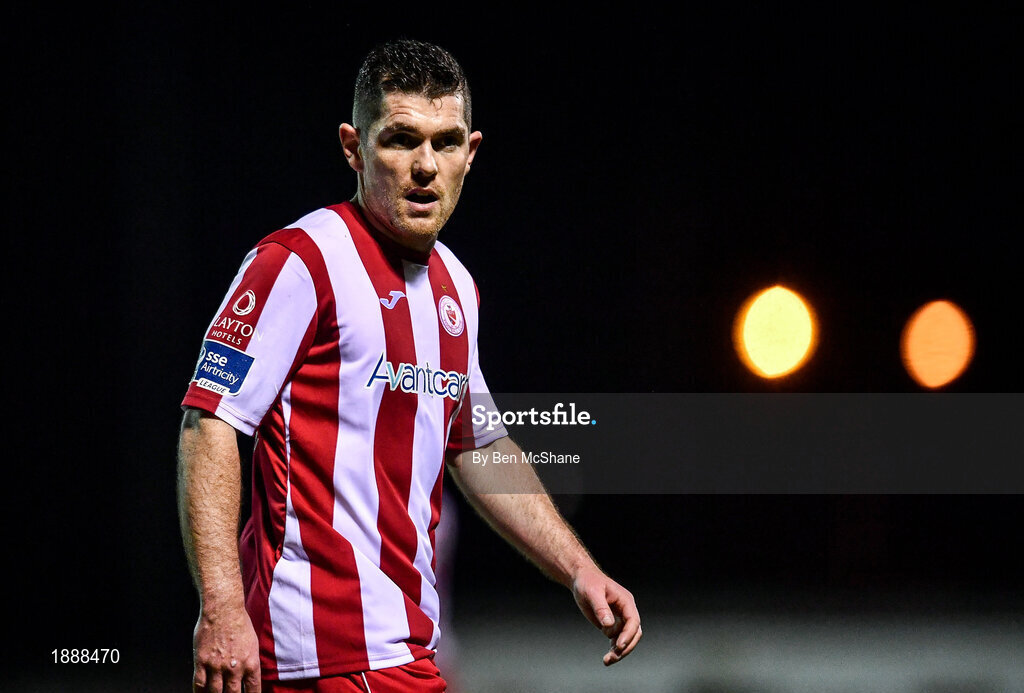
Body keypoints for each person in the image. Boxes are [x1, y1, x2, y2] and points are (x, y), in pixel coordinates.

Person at [177, 39, 641, 693]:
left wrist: (578, 569)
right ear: (352, 146)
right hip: (317, 658)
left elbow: (479, 444)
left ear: (470, 154)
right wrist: (221, 609)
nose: (425, 165)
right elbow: (210, 421)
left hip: (406, 653)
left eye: (446, 143)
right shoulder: (300, 262)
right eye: (400, 139)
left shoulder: (457, 287)